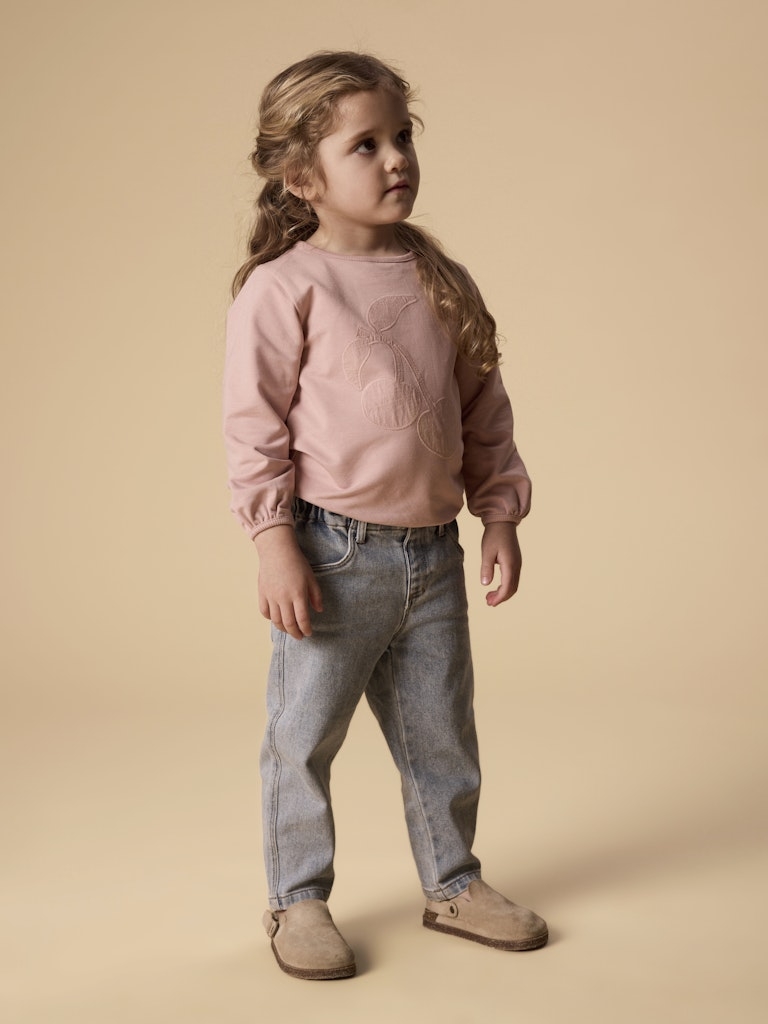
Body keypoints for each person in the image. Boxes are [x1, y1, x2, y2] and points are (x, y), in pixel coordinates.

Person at [223, 51, 547, 980]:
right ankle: (297, 898)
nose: (396, 157)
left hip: (432, 558)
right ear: (302, 176)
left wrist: (499, 513)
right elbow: (254, 427)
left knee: (442, 733)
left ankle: (453, 881)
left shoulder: (438, 277)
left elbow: (483, 406)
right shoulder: (286, 288)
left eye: (402, 136)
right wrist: (275, 543)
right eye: (365, 144)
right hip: (334, 555)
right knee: (303, 737)